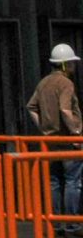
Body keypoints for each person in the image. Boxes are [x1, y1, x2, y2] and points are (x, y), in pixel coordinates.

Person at [31, 43, 83, 217]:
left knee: (54, 182)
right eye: (71, 63)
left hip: (50, 143)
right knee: (72, 182)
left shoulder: (43, 83)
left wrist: (43, 128)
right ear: (64, 64)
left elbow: (31, 107)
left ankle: (55, 222)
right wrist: (75, 133)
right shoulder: (66, 83)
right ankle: (72, 223)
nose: (73, 66)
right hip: (68, 142)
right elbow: (65, 110)